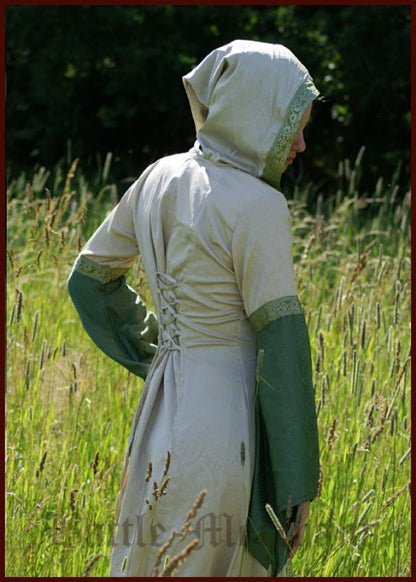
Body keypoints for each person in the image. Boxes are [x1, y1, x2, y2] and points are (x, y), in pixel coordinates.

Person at [68, 39, 320, 577]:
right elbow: (282, 345)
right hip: (226, 429)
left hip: (161, 409)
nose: (300, 143)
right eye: (291, 122)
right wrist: (296, 482)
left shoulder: (158, 176)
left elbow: (90, 280)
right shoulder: (260, 207)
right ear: (255, 111)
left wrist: (157, 351)